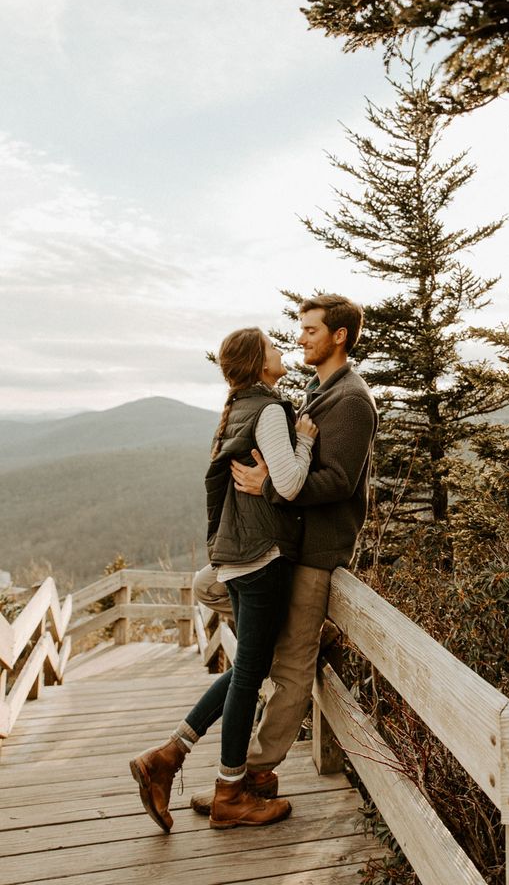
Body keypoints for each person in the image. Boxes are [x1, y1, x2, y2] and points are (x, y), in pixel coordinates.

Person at [189, 293, 378, 813]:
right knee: (253, 640)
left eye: (311, 330)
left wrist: (271, 486)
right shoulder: (321, 391)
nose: (300, 339)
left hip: (318, 551)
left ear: (338, 336)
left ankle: (249, 776)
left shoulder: (352, 400)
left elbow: (339, 481)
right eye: (298, 331)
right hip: (284, 548)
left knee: (292, 666)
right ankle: (233, 776)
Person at [129, 326, 318, 832]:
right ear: (259, 362)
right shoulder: (271, 411)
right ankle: (230, 791)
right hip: (262, 558)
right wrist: (302, 442)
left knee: (248, 668)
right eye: (274, 348)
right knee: (252, 674)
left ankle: (168, 756)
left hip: (235, 558)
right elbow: (293, 483)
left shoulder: (236, 408)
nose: (282, 349)